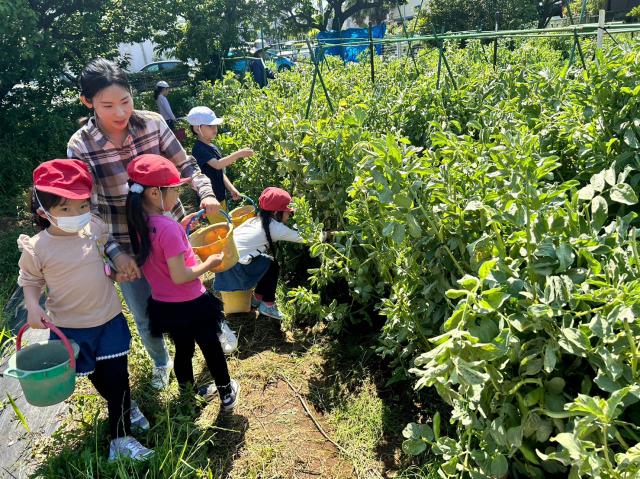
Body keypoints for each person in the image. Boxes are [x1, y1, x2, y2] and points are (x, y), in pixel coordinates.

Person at [67, 58, 221, 389]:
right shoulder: (81, 146)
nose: (120, 112)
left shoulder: (152, 123)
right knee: (144, 309)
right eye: (108, 105)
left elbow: (186, 164)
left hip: (171, 230)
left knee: (188, 291)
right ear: (87, 102)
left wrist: (206, 193)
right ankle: (161, 362)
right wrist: (113, 251)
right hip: (125, 243)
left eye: (125, 101)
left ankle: (206, 340)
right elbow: (86, 209)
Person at [18, 159, 153, 461]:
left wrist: (118, 266)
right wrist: (32, 306)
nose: (77, 214)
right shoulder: (37, 248)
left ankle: (120, 439)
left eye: (82, 205)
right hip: (72, 329)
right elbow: (30, 280)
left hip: (108, 318)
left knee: (118, 376)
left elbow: (106, 250)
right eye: (65, 209)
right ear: (43, 211)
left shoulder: (94, 227)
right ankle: (124, 405)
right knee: (98, 377)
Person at [125, 154, 239, 409]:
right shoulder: (168, 228)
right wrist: (210, 263)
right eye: (175, 190)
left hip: (165, 305)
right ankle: (226, 392)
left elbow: (161, 254)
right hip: (192, 303)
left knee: (183, 350)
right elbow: (180, 275)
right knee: (210, 346)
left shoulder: (139, 224)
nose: (177, 195)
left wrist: (181, 226)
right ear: (154, 193)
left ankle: (187, 394)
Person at [214, 187, 304, 320]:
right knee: (272, 266)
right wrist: (327, 234)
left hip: (226, 263)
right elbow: (305, 238)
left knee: (270, 264)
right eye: (288, 212)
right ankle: (268, 305)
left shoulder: (255, 220)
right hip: (234, 269)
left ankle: (258, 298)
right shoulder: (275, 228)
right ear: (276, 212)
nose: (289, 215)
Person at [187, 106, 254, 215]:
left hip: (219, 195)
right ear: (197, 129)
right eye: (210, 126)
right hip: (210, 199)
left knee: (225, 221)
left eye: (215, 125)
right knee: (222, 225)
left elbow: (220, 171)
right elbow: (217, 165)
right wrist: (239, 153)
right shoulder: (199, 149)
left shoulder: (212, 146)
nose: (215, 128)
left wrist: (231, 188)